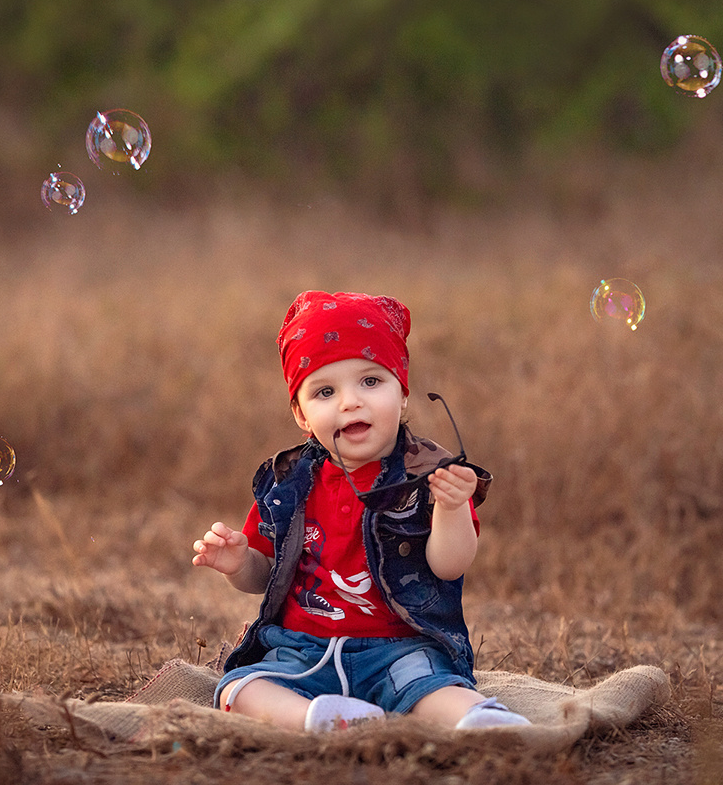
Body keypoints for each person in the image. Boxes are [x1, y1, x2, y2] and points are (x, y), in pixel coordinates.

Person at [191, 290, 531, 733]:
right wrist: (240, 564)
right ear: (301, 414)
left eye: (371, 382)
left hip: (400, 648)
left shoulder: (431, 478)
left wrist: (451, 509)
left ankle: (479, 719)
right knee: (238, 689)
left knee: (430, 687)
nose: (350, 402)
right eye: (325, 391)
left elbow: (449, 567)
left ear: (403, 395)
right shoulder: (289, 483)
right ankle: (319, 718)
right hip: (303, 651)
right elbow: (265, 577)